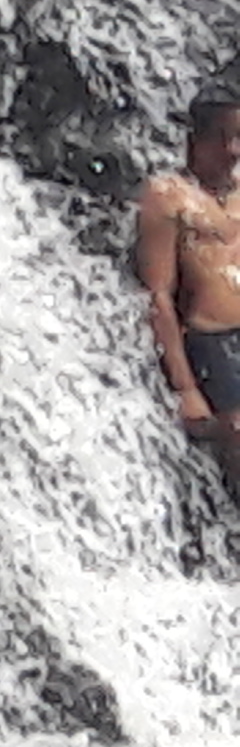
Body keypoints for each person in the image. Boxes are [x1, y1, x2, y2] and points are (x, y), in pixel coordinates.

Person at [135, 90, 240, 497]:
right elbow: (157, 296)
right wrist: (186, 389)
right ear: (194, 137)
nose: (232, 150)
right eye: (221, 137)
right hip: (213, 343)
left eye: (239, 137)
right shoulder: (168, 197)